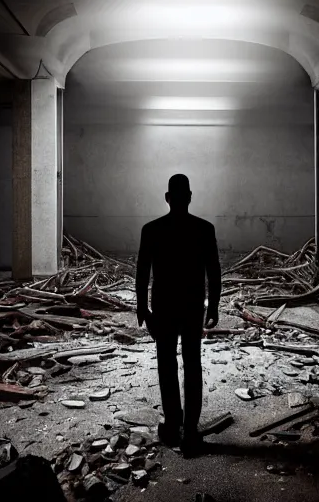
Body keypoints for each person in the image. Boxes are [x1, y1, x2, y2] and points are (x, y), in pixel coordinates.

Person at [135, 174, 221, 457]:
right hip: (192, 306)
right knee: (192, 364)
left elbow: (142, 272)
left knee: (166, 365)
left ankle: (173, 424)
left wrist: (142, 308)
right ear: (190, 196)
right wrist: (214, 306)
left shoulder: (152, 229)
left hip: (164, 306)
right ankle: (191, 429)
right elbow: (214, 271)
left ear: (168, 198)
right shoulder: (204, 229)